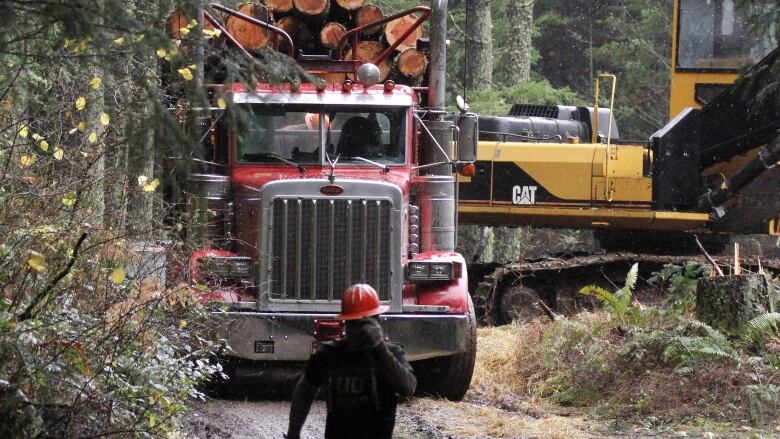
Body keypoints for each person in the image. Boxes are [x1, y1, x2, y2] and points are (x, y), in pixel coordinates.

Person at [285, 284, 417, 439]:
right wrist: (293, 432)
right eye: (355, 323)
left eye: (366, 323)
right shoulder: (329, 355)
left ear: (377, 323)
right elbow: (305, 391)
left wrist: (379, 348)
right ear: (346, 324)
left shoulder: (390, 355)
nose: (361, 330)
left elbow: (407, 388)